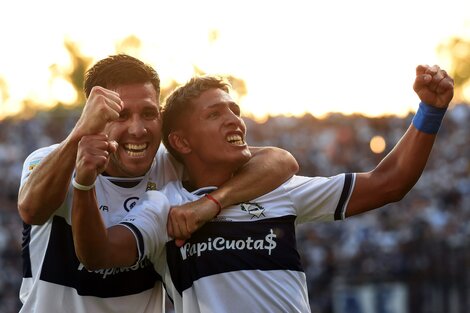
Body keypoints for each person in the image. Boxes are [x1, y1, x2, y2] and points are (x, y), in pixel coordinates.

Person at [71, 65, 453, 313]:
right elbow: (100, 254)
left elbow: (389, 183)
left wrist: (430, 111)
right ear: (182, 142)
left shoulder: (278, 190)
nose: (233, 119)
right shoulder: (165, 206)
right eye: (215, 113)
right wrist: (84, 183)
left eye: (234, 109)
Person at [16, 54, 299, 313]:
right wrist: (79, 136)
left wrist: (211, 202)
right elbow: (32, 210)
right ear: (95, 119)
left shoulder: (171, 165)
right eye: (121, 115)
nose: (138, 130)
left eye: (149, 114)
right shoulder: (52, 160)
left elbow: (280, 161)